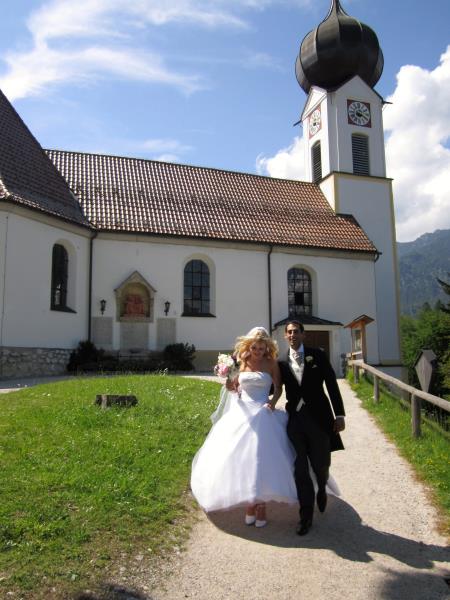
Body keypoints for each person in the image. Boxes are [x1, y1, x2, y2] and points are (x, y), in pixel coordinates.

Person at [190, 327, 298, 526]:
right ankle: (250, 502)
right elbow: (235, 387)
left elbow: (278, 388)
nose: (257, 350)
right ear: (250, 346)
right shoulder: (242, 361)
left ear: (267, 347)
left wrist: (272, 403)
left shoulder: (272, 363)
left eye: (261, 347)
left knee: (261, 459)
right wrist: (230, 385)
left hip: (264, 412)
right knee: (241, 459)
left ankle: (261, 504)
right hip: (242, 413)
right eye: (255, 347)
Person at [278, 320, 346, 536]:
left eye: (296, 331)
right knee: (300, 468)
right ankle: (305, 515)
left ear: (303, 334)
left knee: (320, 463)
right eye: (288, 332)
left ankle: (323, 486)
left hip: (320, 419)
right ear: (284, 336)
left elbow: (332, 384)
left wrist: (340, 414)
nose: (292, 335)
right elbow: (273, 388)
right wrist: (239, 383)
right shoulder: (280, 361)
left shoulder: (317, 355)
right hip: (296, 420)